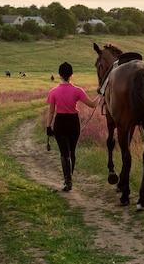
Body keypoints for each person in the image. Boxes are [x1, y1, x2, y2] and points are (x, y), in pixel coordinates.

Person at [46, 62, 99, 191]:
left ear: (59, 75)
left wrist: (48, 127)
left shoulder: (53, 91)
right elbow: (92, 105)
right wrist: (100, 95)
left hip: (60, 123)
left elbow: (51, 112)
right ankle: (70, 178)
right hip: (73, 122)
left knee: (64, 153)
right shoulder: (77, 90)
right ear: (72, 75)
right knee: (72, 151)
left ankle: (68, 181)